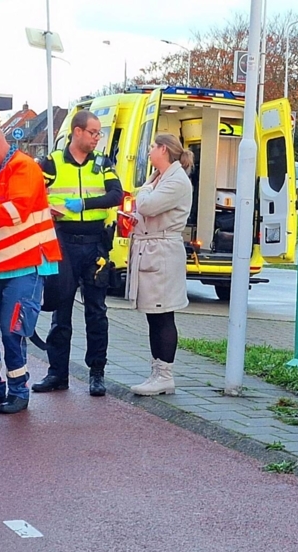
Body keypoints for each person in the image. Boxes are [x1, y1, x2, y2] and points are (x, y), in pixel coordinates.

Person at [0, 121, 61, 414]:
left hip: (26, 264)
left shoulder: (24, 167)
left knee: (12, 330)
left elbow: (15, 210)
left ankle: (19, 390)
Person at [36, 110, 123, 397]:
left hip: (95, 243)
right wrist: (45, 210)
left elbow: (115, 195)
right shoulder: (53, 162)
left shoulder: (102, 163)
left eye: (99, 133)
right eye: (93, 132)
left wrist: (82, 203)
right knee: (61, 311)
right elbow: (35, 193)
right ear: (77, 132)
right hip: (63, 242)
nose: (98, 138)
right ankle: (57, 373)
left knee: (96, 312)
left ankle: (97, 373)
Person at [127, 134, 194, 396]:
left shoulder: (176, 180)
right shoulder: (161, 177)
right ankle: (157, 371)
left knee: (163, 314)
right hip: (153, 248)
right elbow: (145, 211)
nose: (150, 151)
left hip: (163, 252)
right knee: (154, 316)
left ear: (163, 149)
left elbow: (148, 205)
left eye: (153, 146)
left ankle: (165, 374)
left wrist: (142, 190)